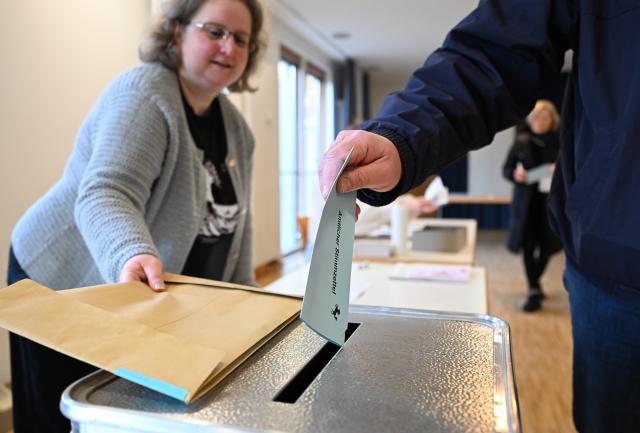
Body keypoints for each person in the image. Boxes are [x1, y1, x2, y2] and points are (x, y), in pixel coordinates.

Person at [318, 1, 640, 431]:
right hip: (616, 268)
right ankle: (531, 287)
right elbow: (493, 52)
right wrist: (401, 137)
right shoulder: (526, 141)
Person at [6, 0, 264, 431]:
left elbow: (239, 223)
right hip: (62, 277)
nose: (229, 48)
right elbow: (105, 192)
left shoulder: (239, 130)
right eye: (214, 31)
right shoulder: (146, 95)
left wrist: (252, 302)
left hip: (136, 288)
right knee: (65, 412)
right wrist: (130, 250)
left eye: (241, 39)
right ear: (178, 32)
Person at [502, 100, 562, 312]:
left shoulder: (560, 142)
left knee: (547, 246)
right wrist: (515, 174)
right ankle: (533, 289)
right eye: (536, 117)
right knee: (528, 245)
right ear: (530, 119)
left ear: (552, 119)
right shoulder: (521, 141)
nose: (540, 120)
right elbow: (506, 170)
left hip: (551, 204)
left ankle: (534, 281)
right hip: (526, 204)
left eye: (544, 117)